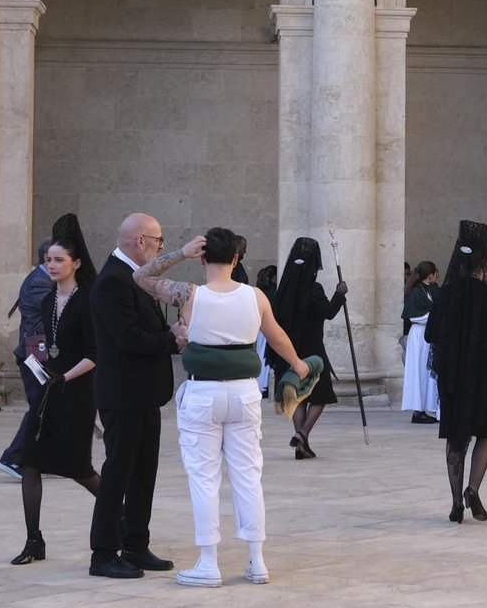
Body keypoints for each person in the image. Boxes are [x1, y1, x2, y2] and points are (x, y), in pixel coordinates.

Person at [132, 228, 311, 587]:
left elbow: (141, 275)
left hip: (204, 395)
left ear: (202, 257)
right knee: (248, 476)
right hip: (244, 394)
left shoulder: (189, 295)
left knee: (204, 478)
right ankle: (256, 561)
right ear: (236, 258)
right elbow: (277, 336)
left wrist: (180, 253)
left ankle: (208, 562)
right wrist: (298, 364)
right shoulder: (255, 296)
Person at [87, 213, 185, 580]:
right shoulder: (113, 281)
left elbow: (148, 328)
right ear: (141, 241)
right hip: (123, 394)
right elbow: (127, 339)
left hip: (144, 394)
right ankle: (103, 553)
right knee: (118, 474)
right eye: (159, 242)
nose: (160, 249)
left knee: (143, 474)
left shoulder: (137, 279)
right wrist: (171, 339)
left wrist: (169, 335)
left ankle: (135, 545)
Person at [10, 215, 99, 566]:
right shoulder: (47, 299)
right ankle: (34, 541)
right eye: (48, 259)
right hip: (49, 389)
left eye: (59, 260)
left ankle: (121, 518)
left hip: (76, 392)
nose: (51, 265)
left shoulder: (86, 302)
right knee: (30, 464)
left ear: (76, 264)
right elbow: (35, 335)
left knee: (79, 469)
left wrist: (63, 377)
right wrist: (41, 369)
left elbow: (95, 353)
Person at [426, 220, 487, 523]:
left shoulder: (445, 294)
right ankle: (473, 488)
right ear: (486, 260)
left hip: (453, 374)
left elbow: (430, 335)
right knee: (486, 433)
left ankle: (454, 501)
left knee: (456, 436)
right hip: (483, 374)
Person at [268, 237, 346, 459]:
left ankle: (301, 444)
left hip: (288, 350)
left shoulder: (283, 289)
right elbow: (328, 312)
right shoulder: (314, 288)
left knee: (298, 395)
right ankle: (302, 435)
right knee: (320, 395)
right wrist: (340, 293)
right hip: (312, 351)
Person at [0, 237, 56, 480]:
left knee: (51, 407)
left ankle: (43, 459)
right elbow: (54, 314)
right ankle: (12, 458)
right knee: (41, 406)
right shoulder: (38, 283)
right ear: (47, 259)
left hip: (41, 354)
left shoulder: (45, 279)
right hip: (35, 355)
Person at [401, 261, 441, 424]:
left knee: (427, 372)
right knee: (419, 371)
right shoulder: (416, 291)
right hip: (419, 335)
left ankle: (425, 407)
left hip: (428, 334)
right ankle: (418, 410)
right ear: (430, 275)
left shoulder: (431, 289)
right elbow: (413, 316)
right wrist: (434, 316)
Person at [253, 264, 278, 397]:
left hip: (259, 327)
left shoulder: (260, 291)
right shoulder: (273, 292)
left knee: (261, 354)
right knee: (265, 356)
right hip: (268, 326)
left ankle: (261, 383)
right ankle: (264, 384)